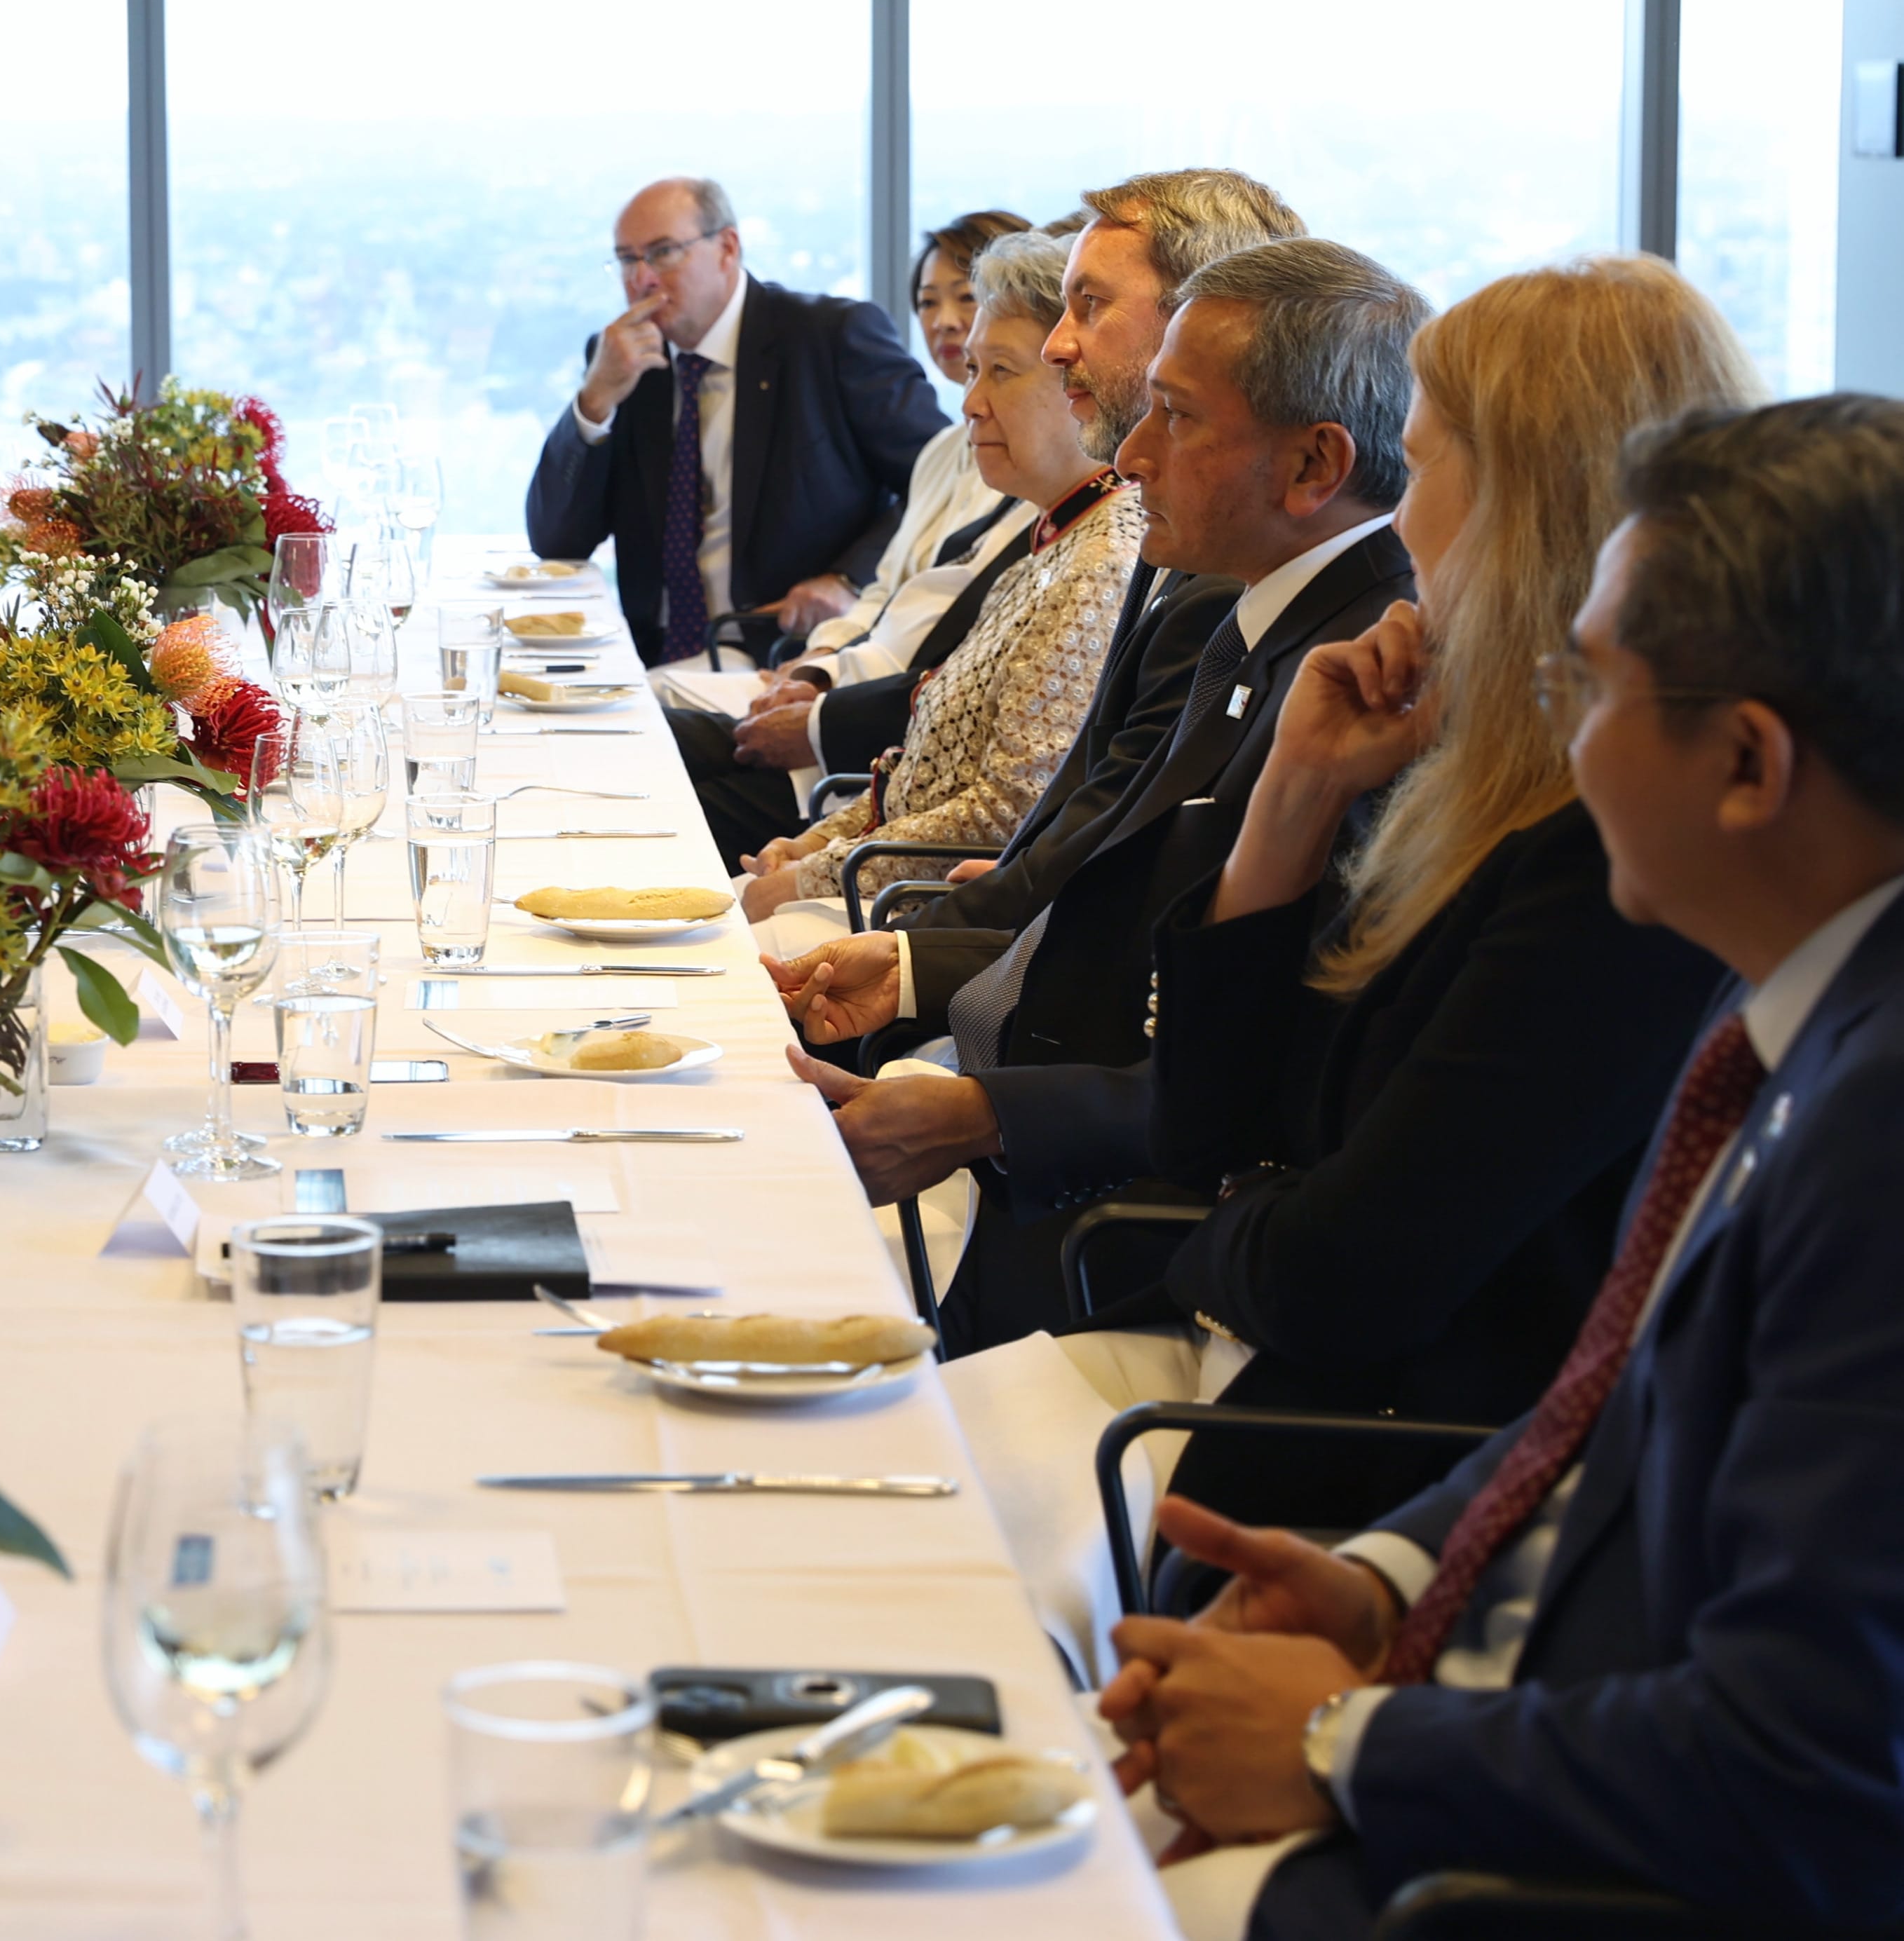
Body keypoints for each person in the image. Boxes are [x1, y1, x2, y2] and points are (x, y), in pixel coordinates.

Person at [1101, 395, 1904, 1941]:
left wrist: (1343, 1744)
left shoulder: (1874, 1121)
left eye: (1586, 683)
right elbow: (1615, 1396)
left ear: (1744, 763)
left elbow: (1810, 1761)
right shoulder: (1791, 991)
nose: (1553, 722)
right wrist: (1400, 1576)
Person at [941, 258, 1751, 1680]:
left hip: (1351, 1449)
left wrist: (1215, 1233)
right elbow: (1213, 1134)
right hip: (1280, 1381)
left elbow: (1339, 1275)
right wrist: (1288, 807)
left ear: (1524, 509)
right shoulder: (1456, 769)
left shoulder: (1597, 866)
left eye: (1425, 467)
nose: (1399, 513)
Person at [776, 237, 1425, 1356]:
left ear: (1314, 467)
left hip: (1128, 1250)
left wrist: (989, 1115)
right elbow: (1098, 879)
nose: (1128, 455)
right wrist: (920, 972)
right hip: (1045, 1156)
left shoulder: (1368, 685)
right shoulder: (1256, 618)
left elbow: (1286, 1079)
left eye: (1175, 415)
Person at [857, 170, 1312, 948]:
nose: (1057, 343)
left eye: (1088, 306)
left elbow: (1144, 856)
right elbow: (1096, 796)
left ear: (1198, 316)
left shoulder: (1213, 560)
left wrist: (936, 947)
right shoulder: (1154, 526)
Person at [733, 249, 1146, 924]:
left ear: (1082, 387)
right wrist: (814, 843)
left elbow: (1005, 814)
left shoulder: (1104, 555)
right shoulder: (1052, 541)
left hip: (926, 915)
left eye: (1002, 373)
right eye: (975, 370)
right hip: (883, 886)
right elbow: (923, 768)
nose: (971, 403)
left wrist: (810, 876)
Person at [679, 214, 1048, 859]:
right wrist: (813, 668)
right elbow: (887, 597)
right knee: (646, 742)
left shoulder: (1050, 486)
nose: (944, 319)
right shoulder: (944, 450)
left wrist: (822, 705)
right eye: (928, 301)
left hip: (868, 757)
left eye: (965, 295)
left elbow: (944, 659)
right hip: (847, 712)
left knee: (661, 791)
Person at [519, 175, 943, 668]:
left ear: (727, 247)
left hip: (787, 653)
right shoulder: (623, 361)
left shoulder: (828, 338)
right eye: (628, 259)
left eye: (662, 253)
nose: (642, 279)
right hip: (646, 657)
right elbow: (556, 540)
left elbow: (941, 485)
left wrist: (850, 578)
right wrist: (594, 401)